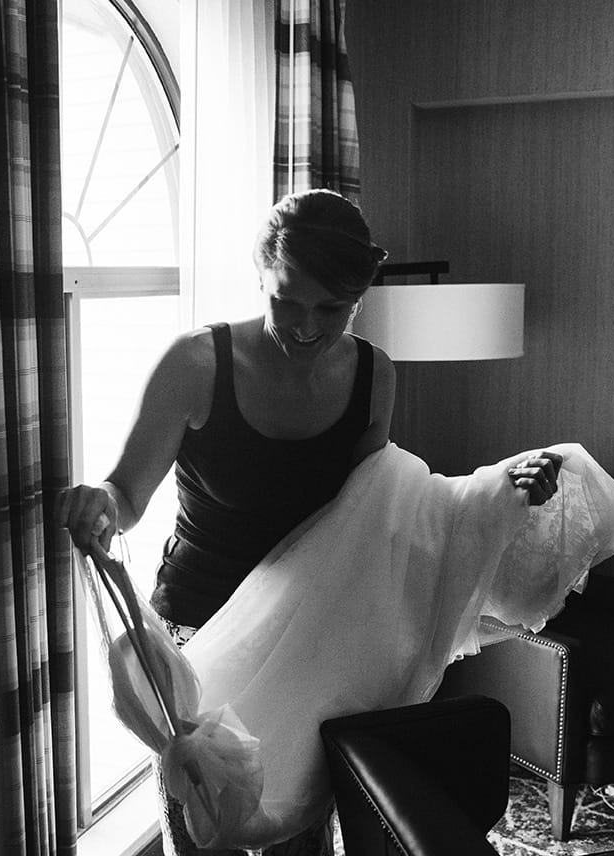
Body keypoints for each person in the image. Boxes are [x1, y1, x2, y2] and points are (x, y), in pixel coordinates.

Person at [58, 189, 561, 856]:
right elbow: (126, 492)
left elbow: (385, 509)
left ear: (358, 298)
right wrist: (101, 502)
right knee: (212, 831)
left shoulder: (372, 376)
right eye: (286, 302)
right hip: (203, 634)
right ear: (259, 274)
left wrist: (501, 489)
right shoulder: (195, 366)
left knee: (299, 833)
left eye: (331, 309)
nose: (304, 326)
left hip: (313, 636)